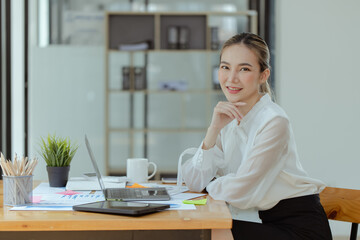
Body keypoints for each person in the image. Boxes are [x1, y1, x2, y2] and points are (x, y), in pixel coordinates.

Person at [180, 33, 332, 239]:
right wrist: (213, 130)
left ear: (263, 75)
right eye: (225, 67)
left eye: (244, 69)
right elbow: (193, 182)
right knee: (205, 229)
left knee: (211, 231)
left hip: (300, 228)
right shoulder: (228, 119)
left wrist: (211, 185)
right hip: (269, 222)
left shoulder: (274, 121)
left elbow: (241, 191)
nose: (231, 78)